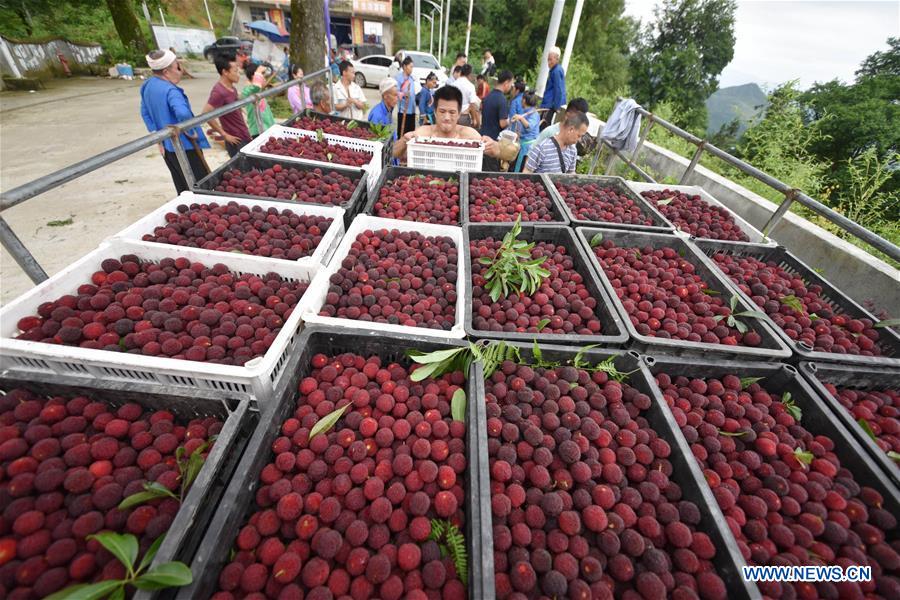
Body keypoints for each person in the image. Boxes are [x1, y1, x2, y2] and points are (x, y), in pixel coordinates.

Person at [139, 49, 210, 194]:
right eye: (178, 67)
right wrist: (190, 130)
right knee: (200, 187)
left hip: (167, 148)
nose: (181, 71)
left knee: (182, 186)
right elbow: (183, 113)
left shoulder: (148, 85)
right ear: (166, 72)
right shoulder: (171, 91)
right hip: (186, 147)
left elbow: (144, 111)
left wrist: (157, 136)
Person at [392, 85, 499, 161]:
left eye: (452, 112)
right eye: (442, 111)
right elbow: (394, 153)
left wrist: (494, 148)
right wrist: (404, 141)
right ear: (435, 112)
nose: (447, 117)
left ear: (459, 114)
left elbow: (505, 153)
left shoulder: (470, 136)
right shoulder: (422, 134)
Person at [202, 53, 252, 158]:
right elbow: (205, 114)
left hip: (243, 133)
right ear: (225, 72)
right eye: (235, 71)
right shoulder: (219, 92)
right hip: (235, 140)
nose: (238, 74)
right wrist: (224, 135)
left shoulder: (231, 88)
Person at [523, 111, 588, 174]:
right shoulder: (543, 148)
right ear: (571, 130)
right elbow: (527, 172)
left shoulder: (573, 150)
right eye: (579, 136)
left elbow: (570, 173)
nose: (579, 139)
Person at [480, 70, 514, 171]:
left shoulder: (488, 96)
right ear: (506, 82)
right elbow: (502, 123)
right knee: (490, 173)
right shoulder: (502, 99)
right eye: (511, 83)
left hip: (482, 138)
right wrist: (510, 120)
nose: (511, 86)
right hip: (493, 143)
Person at [508, 91, 541, 171]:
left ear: (524, 100)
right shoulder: (525, 112)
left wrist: (521, 118)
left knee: (521, 169)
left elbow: (529, 126)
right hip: (521, 144)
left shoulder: (534, 114)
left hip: (528, 148)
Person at [241, 62, 276, 137]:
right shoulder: (249, 89)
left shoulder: (258, 89)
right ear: (254, 76)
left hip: (267, 127)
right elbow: (256, 86)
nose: (264, 78)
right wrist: (258, 72)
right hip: (257, 130)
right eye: (262, 75)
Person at [539, 46, 567, 130]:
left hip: (550, 105)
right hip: (550, 104)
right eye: (548, 59)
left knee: (543, 126)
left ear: (557, 59)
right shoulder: (556, 70)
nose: (549, 62)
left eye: (551, 59)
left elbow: (558, 89)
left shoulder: (556, 71)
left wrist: (557, 106)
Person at [395, 56, 418, 138]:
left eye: (412, 67)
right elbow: (395, 92)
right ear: (404, 66)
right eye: (410, 67)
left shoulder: (411, 78)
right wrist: (404, 94)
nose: (412, 69)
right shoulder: (399, 78)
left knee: (411, 134)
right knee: (402, 134)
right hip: (403, 111)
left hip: (412, 111)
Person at [451, 64, 480, 128]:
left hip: (453, 115)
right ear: (470, 74)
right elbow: (472, 104)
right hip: (464, 117)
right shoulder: (470, 86)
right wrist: (474, 119)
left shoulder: (453, 84)